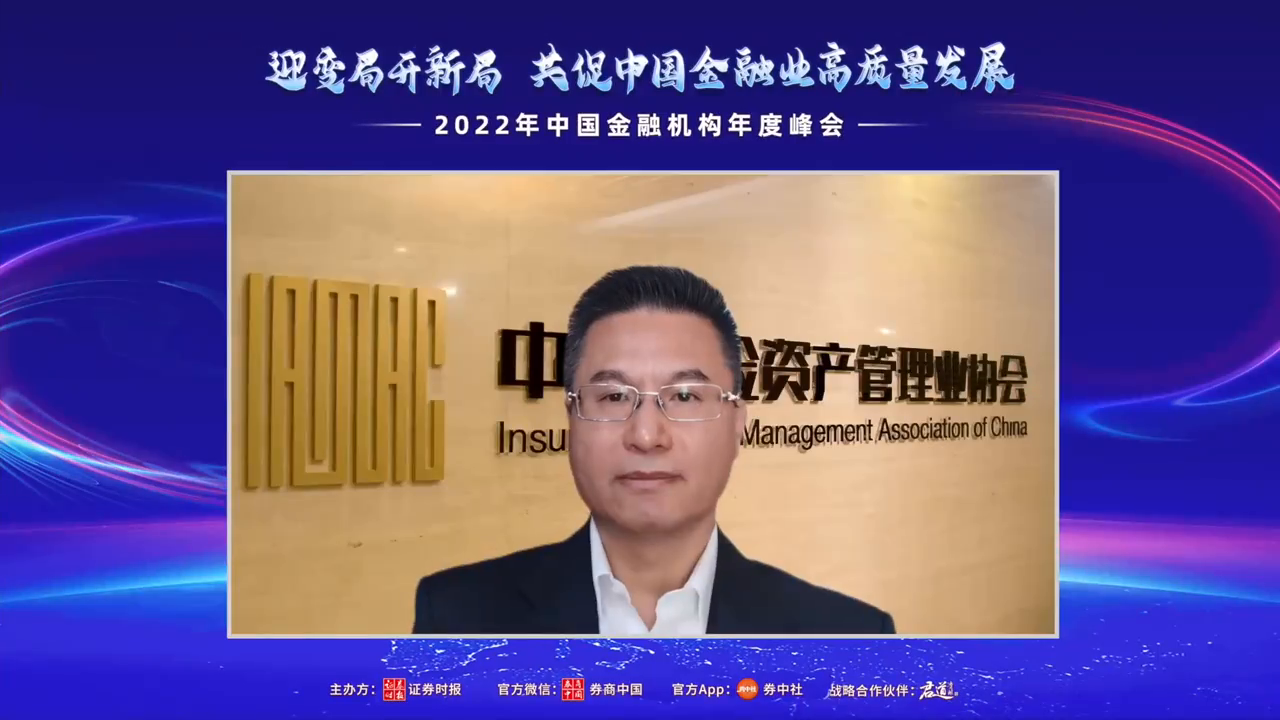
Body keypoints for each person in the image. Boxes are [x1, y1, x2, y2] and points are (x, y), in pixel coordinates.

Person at [413, 265, 895, 635]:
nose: (646, 436)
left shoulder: (846, 636)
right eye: (613, 397)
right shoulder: (458, 617)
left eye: (684, 396)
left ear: (737, 423)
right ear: (572, 418)